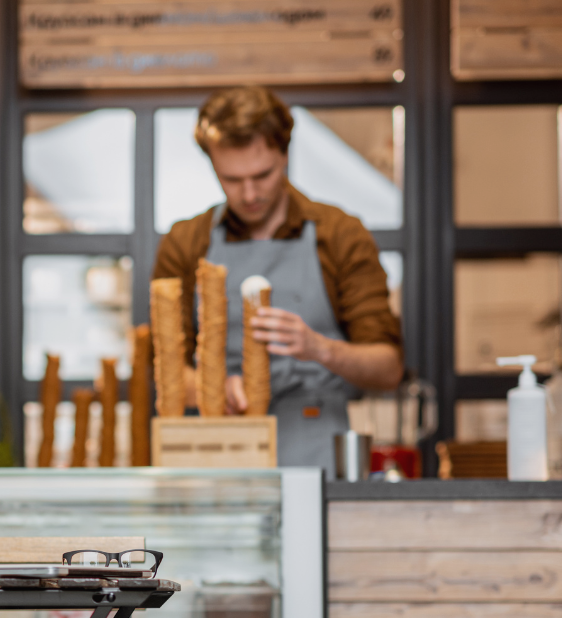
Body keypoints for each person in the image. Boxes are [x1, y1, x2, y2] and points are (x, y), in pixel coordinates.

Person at [153, 85, 403, 474]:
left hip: (316, 453)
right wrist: (213, 389)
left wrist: (320, 348)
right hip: (218, 455)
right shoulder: (187, 243)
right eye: (231, 179)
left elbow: (388, 368)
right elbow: (166, 370)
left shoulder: (339, 236)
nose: (249, 193)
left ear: (285, 154)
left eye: (263, 175)